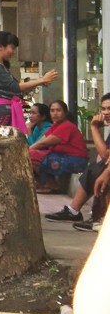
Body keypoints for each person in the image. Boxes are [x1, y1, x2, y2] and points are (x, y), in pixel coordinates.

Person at [47, 92, 110, 230]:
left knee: (101, 170)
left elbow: (105, 154)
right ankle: (76, 211)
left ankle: (101, 218)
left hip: (75, 161)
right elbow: (104, 156)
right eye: (103, 109)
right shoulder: (52, 126)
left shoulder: (67, 126)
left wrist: (93, 127)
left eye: (109, 109)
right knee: (96, 167)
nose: (105, 113)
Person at [0, 31, 56, 130]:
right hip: (2, 114)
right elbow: (16, 87)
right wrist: (41, 80)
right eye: (12, 48)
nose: (14, 52)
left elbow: (17, 86)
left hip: (5, 112)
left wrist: (41, 81)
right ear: (0, 47)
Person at [29, 100, 90, 193]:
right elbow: (40, 141)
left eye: (58, 110)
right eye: (52, 110)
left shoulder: (67, 126)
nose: (55, 113)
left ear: (65, 112)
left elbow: (43, 144)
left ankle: (51, 184)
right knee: (32, 154)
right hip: (63, 157)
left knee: (31, 155)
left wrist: (27, 151)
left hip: (76, 161)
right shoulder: (55, 126)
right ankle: (46, 182)